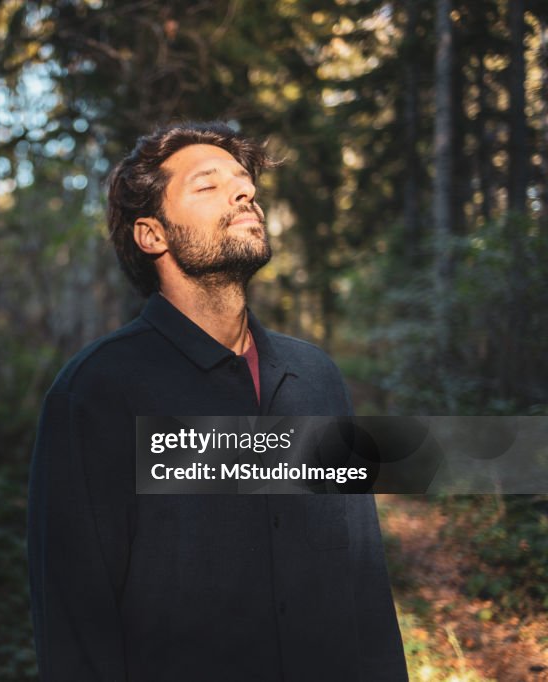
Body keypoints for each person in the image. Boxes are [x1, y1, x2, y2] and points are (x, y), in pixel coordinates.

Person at [27, 121, 407, 681]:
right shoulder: (97, 391)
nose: (244, 192)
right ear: (152, 235)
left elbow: (364, 579)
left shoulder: (317, 378)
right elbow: (75, 624)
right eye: (208, 186)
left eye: (243, 181)